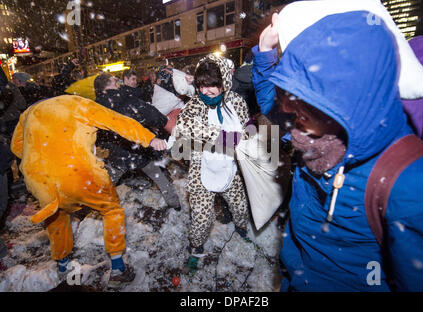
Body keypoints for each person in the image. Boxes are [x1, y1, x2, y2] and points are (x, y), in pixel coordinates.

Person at [252, 9, 423, 291]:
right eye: (290, 100)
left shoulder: (415, 184)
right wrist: (265, 52)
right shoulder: (312, 134)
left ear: (346, 103)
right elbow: (273, 112)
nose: (291, 118)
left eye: (302, 105)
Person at [10, 94, 166, 287]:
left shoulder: (28, 112)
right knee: (112, 210)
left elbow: (16, 147)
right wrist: (149, 138)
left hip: (39, 179)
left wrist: (46, 153)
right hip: (78, 173)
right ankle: (118, 268)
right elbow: (116, 121)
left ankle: (63, 266)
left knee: (57, 215)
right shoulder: (77, 103)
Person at [174, 54, 250, 271]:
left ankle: (242, 229)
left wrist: (248, 139)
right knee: (201, 216)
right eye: (201, 86)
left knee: (239, 205)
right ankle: (196, 247)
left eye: (212, 85)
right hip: (202, 167)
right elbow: (185, 129)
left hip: (230, 166)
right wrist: (228, 137)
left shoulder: (236, 102)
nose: (205, 91)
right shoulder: (193, 107)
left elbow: (246, 131)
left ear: (224, 82)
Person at [94, 73, 181, 210]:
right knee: (157, 175)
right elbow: (150, 113)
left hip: (115, 155)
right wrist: (162, 121)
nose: (117, 83)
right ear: (109, 84)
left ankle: (99, 206)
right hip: (137, 149)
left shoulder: (94, 106)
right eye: (114, 80)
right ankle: (174, 203)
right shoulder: (124, 98)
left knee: (108, 182)